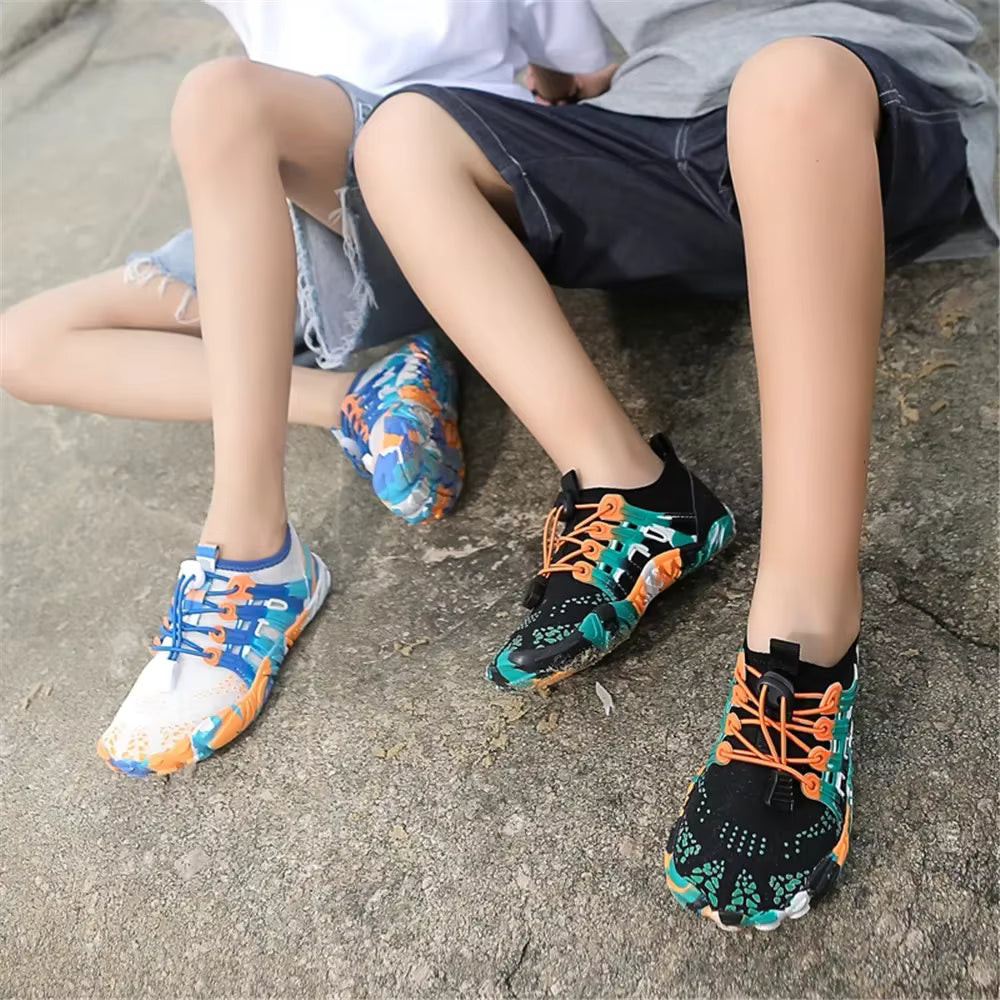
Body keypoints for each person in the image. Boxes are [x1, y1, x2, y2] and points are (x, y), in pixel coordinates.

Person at [348, 0, 998, 928]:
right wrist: (582, 79)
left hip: (860, 114)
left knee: (787, 79)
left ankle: (804, 633)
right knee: (401, 134)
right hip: (661, 127)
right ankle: (634, 489)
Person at [0, 0, 613, 777]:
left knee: (221, 98)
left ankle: (253, 553)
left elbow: (575, 72)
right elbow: (576, 66)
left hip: (445, 177)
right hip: (294, 197)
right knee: (23, 345)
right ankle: (352, 398)